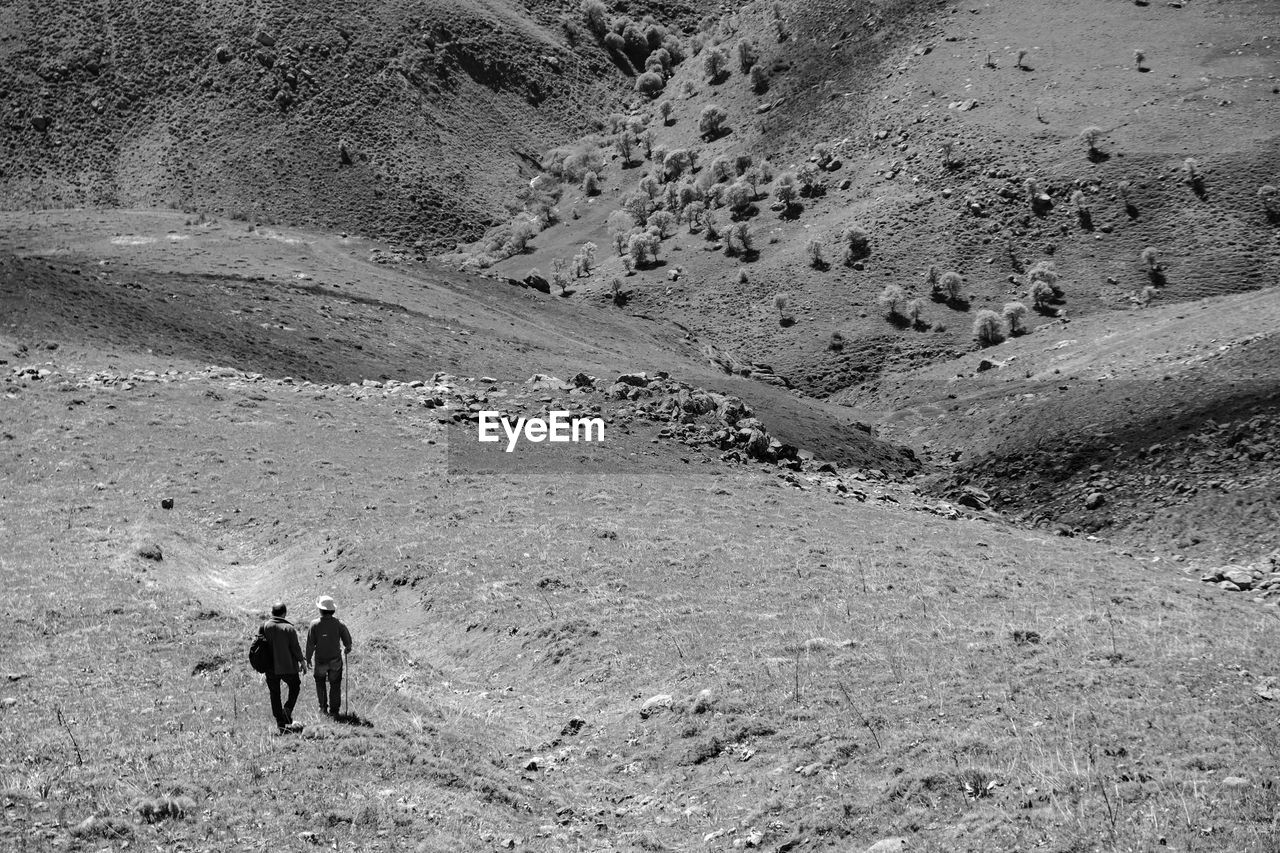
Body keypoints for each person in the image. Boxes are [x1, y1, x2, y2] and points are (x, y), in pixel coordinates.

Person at [260, 602, 306, 733]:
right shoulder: (288, 628)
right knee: (295, 685)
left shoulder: (265, 626)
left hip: (270, 667)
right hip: (288, 667)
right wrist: (302, 662)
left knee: (274, 694)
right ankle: (287, 710)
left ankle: (280, 722)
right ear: (284, 613)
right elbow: (295, 648)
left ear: (272, 612)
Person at [306, 596, 353, 718]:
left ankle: (323, 709)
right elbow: (348, 641)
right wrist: (347, 647)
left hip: (321, 660)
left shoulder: (314, 624)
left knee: (320, 683)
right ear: (332, 610)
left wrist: (308, 658)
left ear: (320, 610)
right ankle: (334, 711)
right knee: (335, 684)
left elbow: (310, 643)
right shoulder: (339, 624)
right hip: (335, 660)